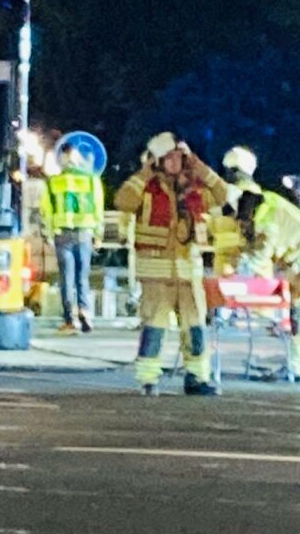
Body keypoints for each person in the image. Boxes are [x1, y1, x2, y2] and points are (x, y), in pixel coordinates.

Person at [113, 131, 226, 395]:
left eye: (179, 157)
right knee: (155, 327)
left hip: (189, 272)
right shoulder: (146, 188)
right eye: (169, 157)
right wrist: (146, 173)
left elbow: (222, 194)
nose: (176, 162)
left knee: (195, 328)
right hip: (156, 273)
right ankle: (148, 378)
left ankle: (197, 378)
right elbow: (123, 201)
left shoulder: (193, 188)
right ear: (157, 160)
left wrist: (199, 165)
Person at [235, 185, 300, 383]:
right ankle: (299, 362)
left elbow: (260, 260)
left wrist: (241, 261)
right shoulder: (267, 202)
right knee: (297, 314)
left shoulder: (266, 224)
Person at [39, 136, 105, 332]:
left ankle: (70, 319)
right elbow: (98, 209)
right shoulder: (92, 180)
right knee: (82, 277)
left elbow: (46, 211)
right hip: (85, 233)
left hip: (62, 234)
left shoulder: (53, 182)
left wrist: (48, 234)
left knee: (66, 278)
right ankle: (85, 311)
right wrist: (98, 234)